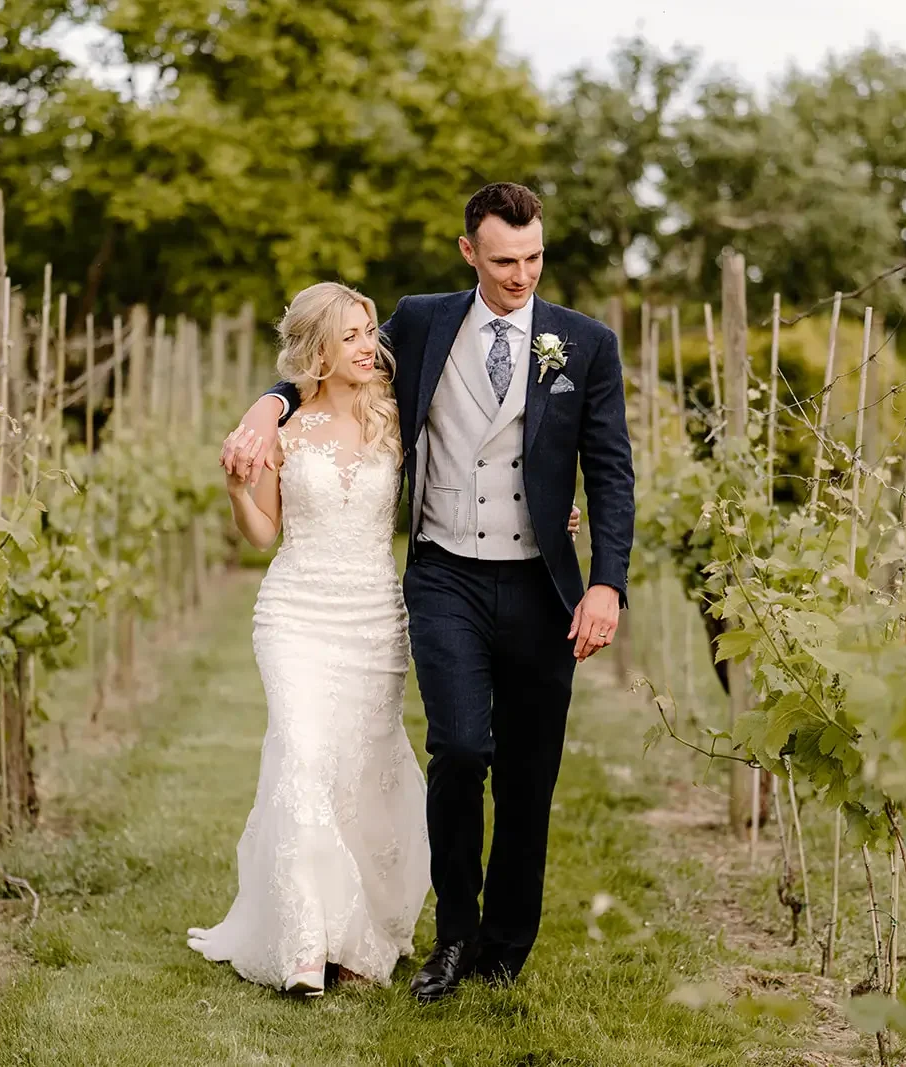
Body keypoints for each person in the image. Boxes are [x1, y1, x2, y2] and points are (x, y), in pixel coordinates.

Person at [221, 183, 635, 1003]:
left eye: (534, 258)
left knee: (527, 771)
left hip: (540, 583)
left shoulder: (585, 344)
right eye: (505, 260)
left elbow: (611, 471)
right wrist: (266, 409)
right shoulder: (420, 320)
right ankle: (452, 934)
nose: (522, 276)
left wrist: (607, 584)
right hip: (444, 574)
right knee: (461, 749)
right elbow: (326, 372)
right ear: (468, 252)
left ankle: (505, 944)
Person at [188, 282, 430, 997]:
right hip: (295, 614)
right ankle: (302, 944)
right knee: (301, 756)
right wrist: (237, 489)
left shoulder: (395, 414)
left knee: (362, 768)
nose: (368, 346)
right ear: (316, 348)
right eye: (351, 335)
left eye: (368, 333)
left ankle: (359, 932)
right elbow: (263, 533)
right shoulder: (284, 432)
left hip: (374, 615)